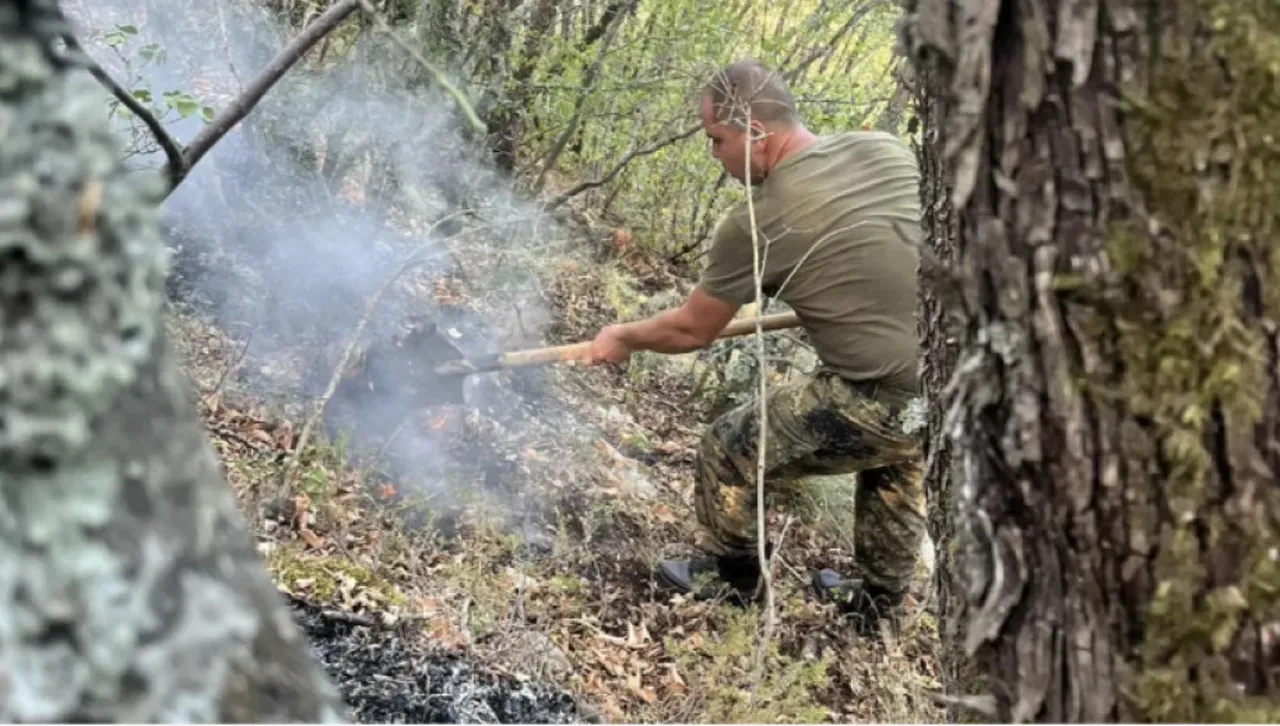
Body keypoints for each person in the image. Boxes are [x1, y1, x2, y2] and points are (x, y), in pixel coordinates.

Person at [583, 59, 926, 632]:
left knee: (729, 447)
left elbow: (692, 329)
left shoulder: (756, 221)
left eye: (717, 140)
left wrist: (622, 336)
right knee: (897, 463)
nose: (715, 159)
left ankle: (735, 581)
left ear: (758, 134)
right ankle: (879, 607)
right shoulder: (883, 148)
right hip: (966, 379)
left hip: (887, 393)